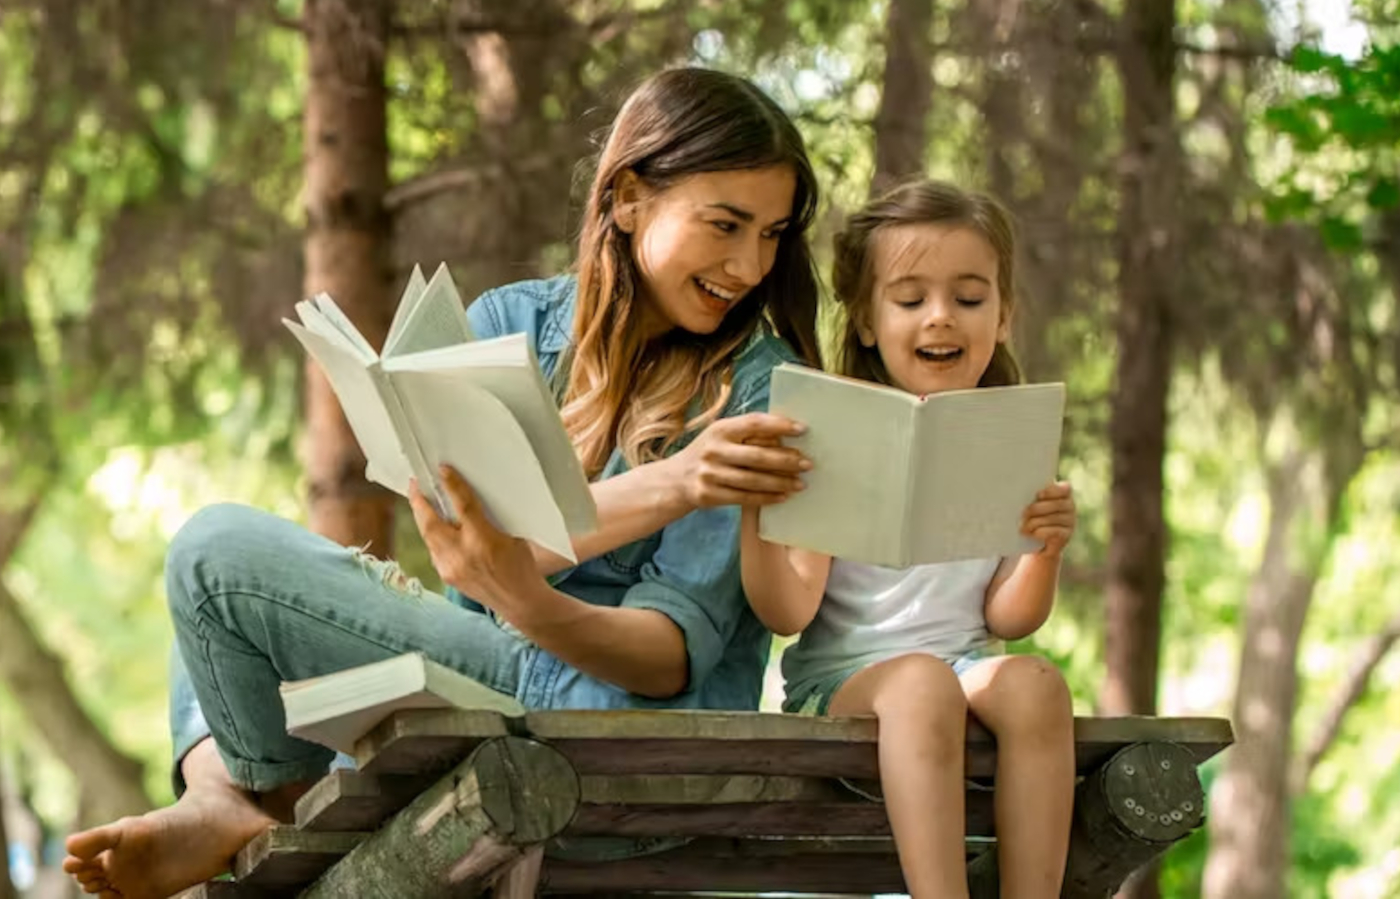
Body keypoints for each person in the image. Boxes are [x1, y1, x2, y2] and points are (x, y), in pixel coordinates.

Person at [64, 67, 823, 899]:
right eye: (726, 225)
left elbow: (672, 657)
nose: (750, 264)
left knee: (216, 556)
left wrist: (531, 596)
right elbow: (479, 564)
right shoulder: (512, 325)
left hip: (618, 734)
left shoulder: (757, 385)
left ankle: (233, 800)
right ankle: (224, 797)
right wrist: (666, 487)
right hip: (484, 689)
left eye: (773, 234)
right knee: (218, 613)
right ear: (631, 196)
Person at [739, 180, 1077, 899]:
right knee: (921, 681)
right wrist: (756, 518)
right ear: (865, 318)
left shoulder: (1008, 442)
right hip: (844, 683)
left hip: (962, 665)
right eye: (911, 297)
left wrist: (1044, 549)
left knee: (1036, 682)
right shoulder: (832, 434)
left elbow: (1007, 618)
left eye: (969, 297)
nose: (941, 318)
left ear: (1004, 316)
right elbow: (787, 612)